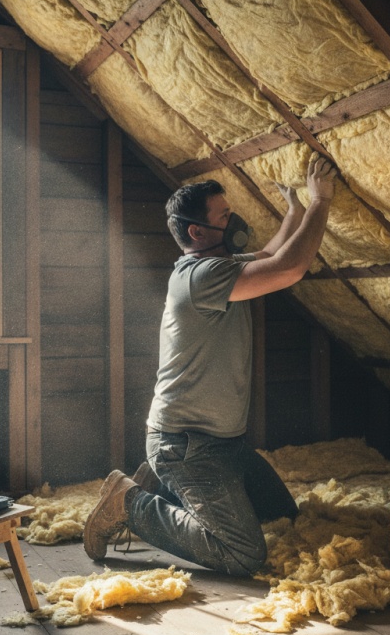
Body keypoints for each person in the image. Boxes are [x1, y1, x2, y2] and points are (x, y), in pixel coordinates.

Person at [83, 153, 337, 575]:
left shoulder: (217, 265)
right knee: (242, 552)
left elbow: (272, 252)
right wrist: (319, 202)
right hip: (188, 446)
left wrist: (293, 211)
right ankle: (128, 503)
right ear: (198, 231)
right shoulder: (201, 277)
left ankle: (162, 487)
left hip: (225, 446)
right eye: (225, 215)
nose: (233, 221)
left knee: (282, 519)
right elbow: (289, 268)